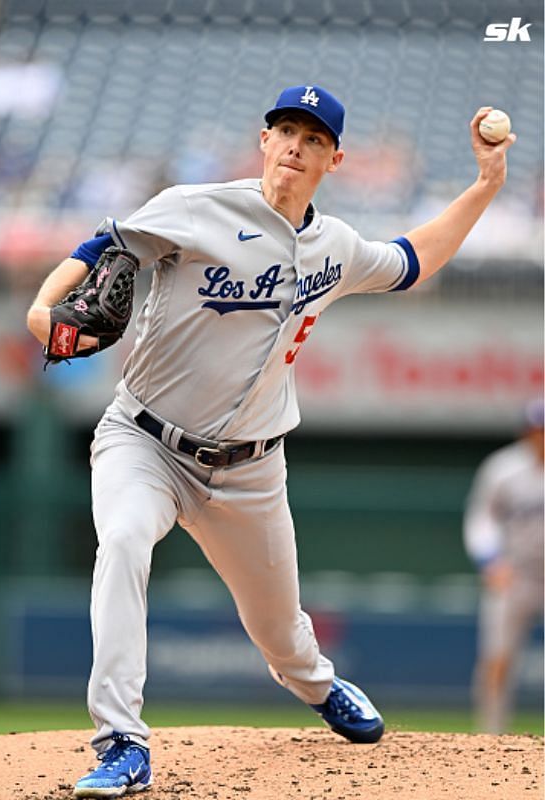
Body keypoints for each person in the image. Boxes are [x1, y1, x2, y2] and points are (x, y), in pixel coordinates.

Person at [25, 85, 515, 796]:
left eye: (313, 138)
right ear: (264, 140)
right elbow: (100, 246)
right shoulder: (196, 207)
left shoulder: (335, 247)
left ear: (334, 159)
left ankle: (316, 686)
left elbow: (414, 260)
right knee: (125, 541)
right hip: (145, 443)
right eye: (285, 130)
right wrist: (44, 309)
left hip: (252, 470)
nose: (295, 145)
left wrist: (486, 184)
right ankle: (121, 741)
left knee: (281, 632)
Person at [464, 400, 544, 734]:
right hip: (515, 574)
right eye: (536, 430)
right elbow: (481, 520)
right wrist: (490, 560)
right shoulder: (502, 468)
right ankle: (491, 740)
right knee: (497, 659)